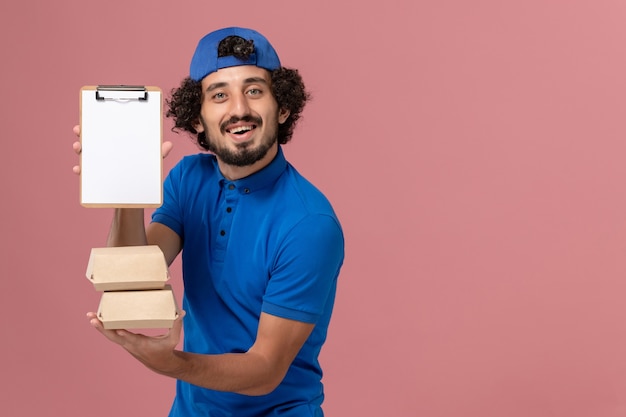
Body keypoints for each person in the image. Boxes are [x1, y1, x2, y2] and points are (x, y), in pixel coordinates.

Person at [73, 27, 344, 416]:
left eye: (254, 90)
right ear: (197, 119)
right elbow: (132, 276)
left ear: (282, 107)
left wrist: (171, 363)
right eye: (218, 95)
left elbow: (265, 370)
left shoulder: (309, 224)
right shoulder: (188, 178)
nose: (238, 109)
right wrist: (127, 187)